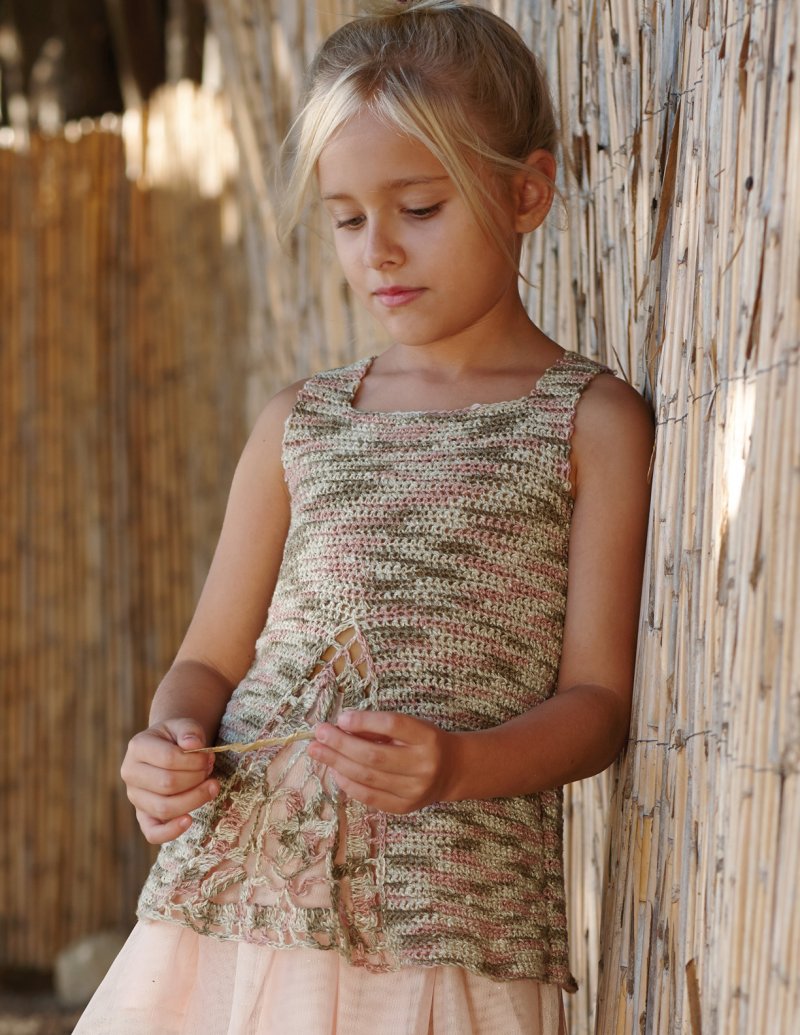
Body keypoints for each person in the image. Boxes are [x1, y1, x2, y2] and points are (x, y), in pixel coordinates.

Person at [74, 1, 654, 1032]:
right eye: (346, 219)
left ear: (525, 192)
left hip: (449, 921)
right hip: (232, 908)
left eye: (418, 208)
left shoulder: (588, 422)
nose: (377, 250)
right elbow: (208, 660)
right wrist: (169, 740)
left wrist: (458, 765)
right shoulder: (298, 421)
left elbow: (598, 703)